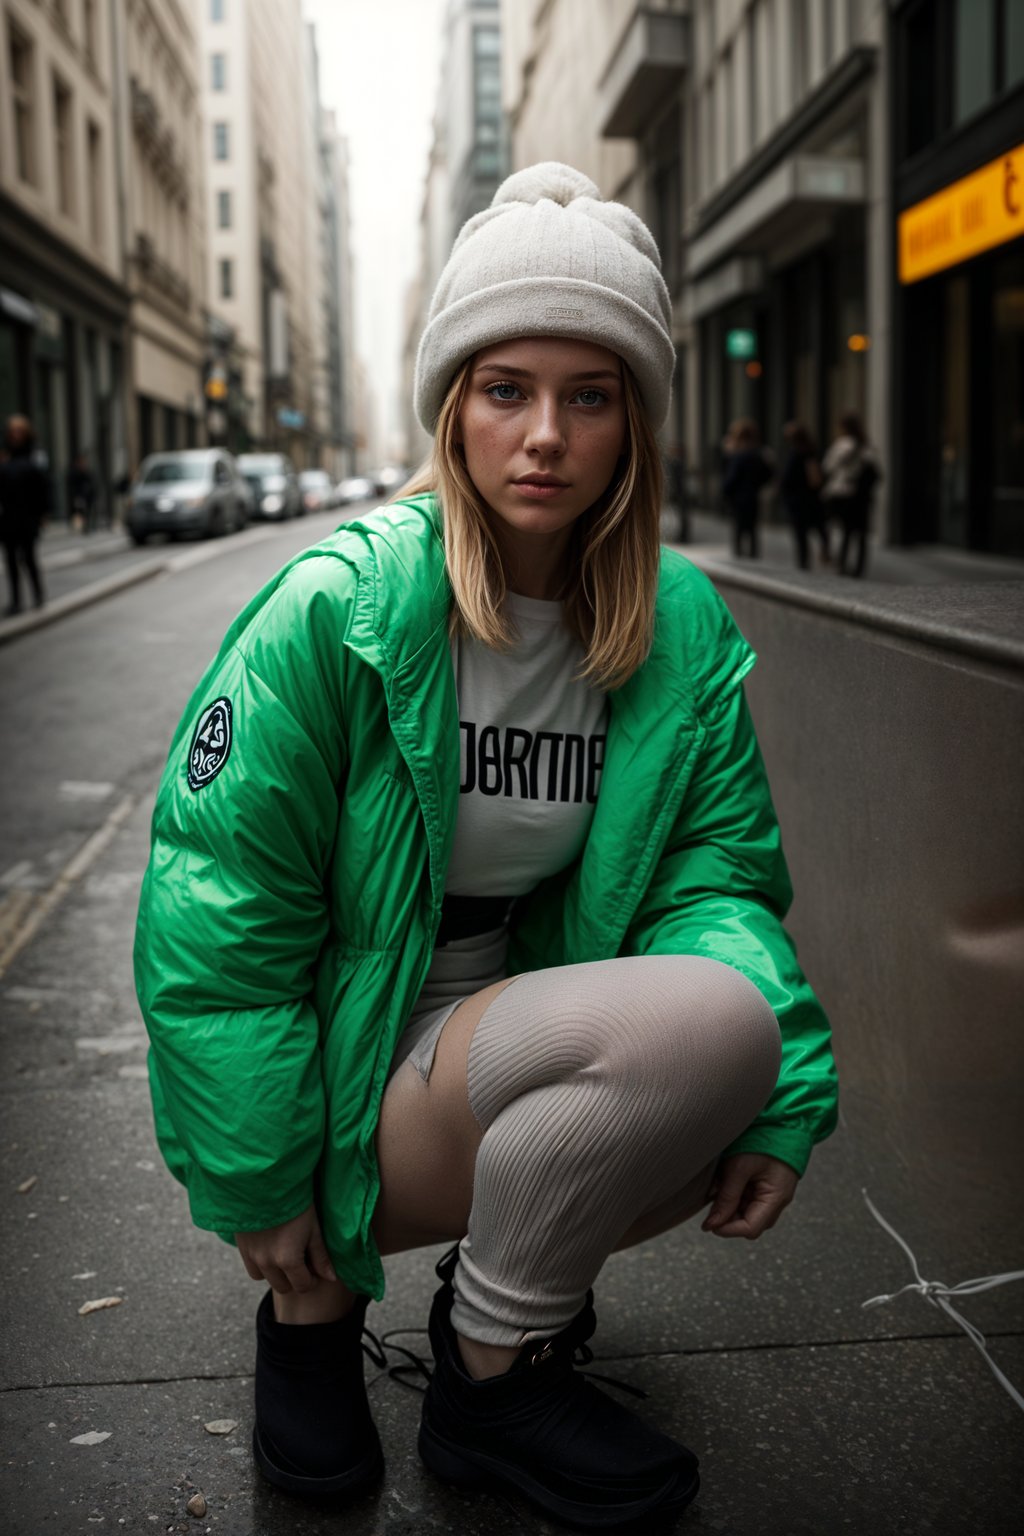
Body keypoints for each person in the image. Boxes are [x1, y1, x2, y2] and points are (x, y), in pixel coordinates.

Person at [134, 163, 838, 1530]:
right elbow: (222, 916)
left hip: (503, 1030)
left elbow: (718, 881)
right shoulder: (342, 609)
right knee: (704, 1040)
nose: (546, 435)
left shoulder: (671, 629)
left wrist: (783, 1086)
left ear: (632, 422)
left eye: (591, 394)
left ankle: (491, 1366)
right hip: (356, 1051)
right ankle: (314, 1307)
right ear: (454, 406)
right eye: (507, 388)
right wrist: (261, 1179)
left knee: (727, 1061)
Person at [821, 411, 882, 578]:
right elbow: (876, 471)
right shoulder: (867, 446)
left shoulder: (841, 445)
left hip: (842, 494)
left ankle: (842, 563)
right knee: (861, 533)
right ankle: (859, 568)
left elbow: (827, 466)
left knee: (845, 531)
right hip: (861, 497)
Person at [0, 415, 49, 615]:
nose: (16, 435)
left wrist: (42, 514)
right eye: (13, 431)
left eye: (19, 431)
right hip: (8, 517)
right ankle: (16, 601)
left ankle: (38, 595)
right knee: (10, 560)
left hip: (27, 516)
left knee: (28, 558)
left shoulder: (33, 457)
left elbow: (42, 488)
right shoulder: (5, 457)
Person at [780, 421, 828, 571]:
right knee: (818, 528)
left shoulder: (797, 454)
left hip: (799, 500)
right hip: (811, 498)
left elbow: (788, 478)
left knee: (801, 534)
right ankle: (823, 552)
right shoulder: (812, 452)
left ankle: (804, 564)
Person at [722, 418, 773, 558]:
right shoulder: (759, 454)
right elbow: (768, 474)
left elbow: (731, 477)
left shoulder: (739, 456)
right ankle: (753, 556)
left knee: (739, 528)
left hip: (739, 497)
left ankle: (739, 556)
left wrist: (726, 491)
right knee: (752, 528)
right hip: (753, 495)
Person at [68, 452, 98, 533]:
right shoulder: (75, 473)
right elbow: (73, 485)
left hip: (88, 496)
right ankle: (80, 526)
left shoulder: (87, 472)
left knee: (87, 511)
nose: (83, 464)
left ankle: (87, 526)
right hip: (79, 496)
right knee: (79, 512)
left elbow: (91, 483)